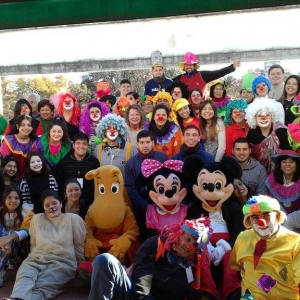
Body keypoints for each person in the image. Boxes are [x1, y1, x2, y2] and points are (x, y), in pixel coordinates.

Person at [87, 217, 219, 300]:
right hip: (132, 293)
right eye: (187, 239)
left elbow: (204, 289)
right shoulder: (156, 244)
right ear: (178, 235)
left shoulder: (195, 263)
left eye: (195, 244)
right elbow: (143, 274)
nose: (189, 246)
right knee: (104, 260)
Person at [1, 189, 86, 300]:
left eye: (54, 203)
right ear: (43, 208)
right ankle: (16, 297)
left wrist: (79, 265)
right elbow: (34, 244)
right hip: (35, 259)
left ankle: (18, 299)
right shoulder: (37, 219)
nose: (51, 207)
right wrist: (31, 260)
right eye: (47, 205)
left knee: (45, 284)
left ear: (60, 203)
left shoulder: (73, 219)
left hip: (63, 262)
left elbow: (78, 245)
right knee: (25, 276)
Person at [229, 195, 300, 300]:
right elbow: (234, 267)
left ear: (277, 216)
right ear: (249, 221)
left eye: (266, 215)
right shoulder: (242, 238)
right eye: (255, 217)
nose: (261, 221)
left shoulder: (296, 242)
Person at [125, 130, 168, 242]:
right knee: (145, 240)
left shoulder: (163, 158)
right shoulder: (131, 164)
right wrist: (147, 207)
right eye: (142, 142)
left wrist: (161, 204)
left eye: (148, 142)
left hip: (163, 208)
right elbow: (130, 188)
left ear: (153, 143)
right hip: (141, 210)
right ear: (137, 144)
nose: (145, 145)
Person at [246, 97, 291, 174]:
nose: (263, 118)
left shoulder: (281, 131)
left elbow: (287, 154)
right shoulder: (251, 134)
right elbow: (249, 157)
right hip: (258, 173)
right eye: (259, 115)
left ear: (272, 116)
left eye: (267, 115)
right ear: (254, 118)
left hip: (279, 172)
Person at [55, 132, 100, 206]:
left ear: (88, 145)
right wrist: (66, 197)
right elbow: (59, 182)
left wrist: (85, 199)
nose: (81, 146)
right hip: (68, 202)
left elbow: (95, 182)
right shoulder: (64, 162)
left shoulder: (94, 162)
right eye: (78, 143)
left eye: (84, 143)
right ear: (73, 145)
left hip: (88, 203)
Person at [173, 52, 240, 94]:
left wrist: (232, 67)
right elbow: (168, 83)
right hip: (185, 110)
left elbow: (218, 73)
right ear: (184, 66)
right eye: (186, 65)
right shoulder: (180, 78)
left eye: (190, 65)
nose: (188, 67)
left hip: (201, 109)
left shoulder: (202, 75)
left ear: (194, 66)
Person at [93, 113, 136, 179]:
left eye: (115, 128)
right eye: (108, 128)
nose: (112, 131)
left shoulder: (130, 149)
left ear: (120, 131)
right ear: (104, 131)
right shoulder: (97, 149)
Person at [0, 186, 26, 287]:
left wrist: (9, 237)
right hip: (4, 251)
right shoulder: (1, 212)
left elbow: (26, 231)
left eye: (16, 198)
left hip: (19, 253)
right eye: (9, 197)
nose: (13, 201)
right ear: (4, 199)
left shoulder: (25, 212)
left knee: (9, 233)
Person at [0, 115, 37, 179]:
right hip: (11, 176)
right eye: (23, 125)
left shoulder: (35, 142)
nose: (26, 128)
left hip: (30, 177)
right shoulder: (8, 141)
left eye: (29, 125)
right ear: (17, 126)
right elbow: (4, 161)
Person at [265, 150, 300, 214]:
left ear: (297, 165)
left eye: (291, 162)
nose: (287, 164)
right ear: (280, 165)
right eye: (284, 162)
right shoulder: (273, 181)